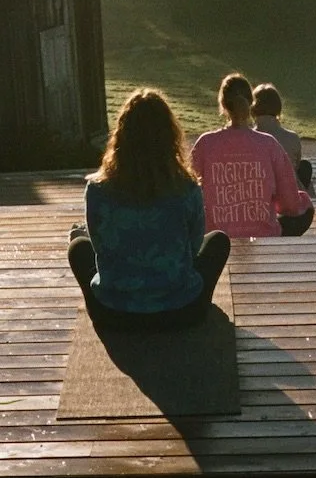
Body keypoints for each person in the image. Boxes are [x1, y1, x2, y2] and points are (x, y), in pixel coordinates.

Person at [67, 89, 230, 329]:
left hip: (114, 314)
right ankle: (198, 303)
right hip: (181, 311)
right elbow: (193, 248)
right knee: (218, 241)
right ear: (169, 137)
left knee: (78, 247)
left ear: (121, 137)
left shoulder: (98, 190)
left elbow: (100, 246)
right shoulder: (186, 189)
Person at [191, 73, 314, 237]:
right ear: (251, 103)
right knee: (305, 210)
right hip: (263, 234)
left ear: (222, 105)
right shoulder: (268, 144)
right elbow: (289, 204)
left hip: (219, 237)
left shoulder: (206, 143)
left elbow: (186, 189)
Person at [251, 82, 313, 193]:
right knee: (304, 167)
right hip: (289, 194)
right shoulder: (292, 138)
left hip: (260, 192)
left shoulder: (248, 139)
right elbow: (296, 165)